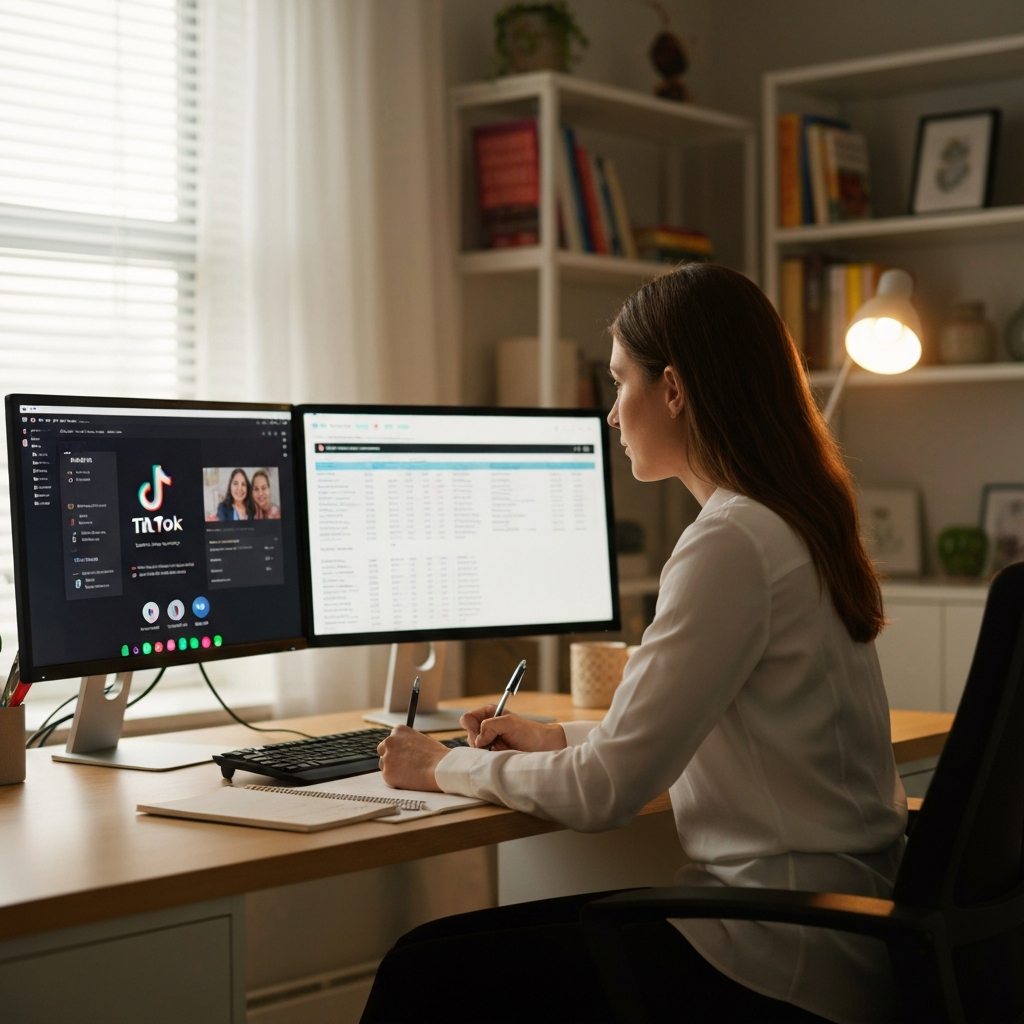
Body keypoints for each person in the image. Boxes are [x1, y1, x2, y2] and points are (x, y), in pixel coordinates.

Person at [364, 264, 907, 1024]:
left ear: (674, 390)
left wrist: (443, 766)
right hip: (835, 936)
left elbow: (606, 791)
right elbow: (699, 734)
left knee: (422, 972)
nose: (613, 416)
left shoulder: (730, 542)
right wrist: (556, 735)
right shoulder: (791, 522)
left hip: (776, 956)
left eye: (620, 383)